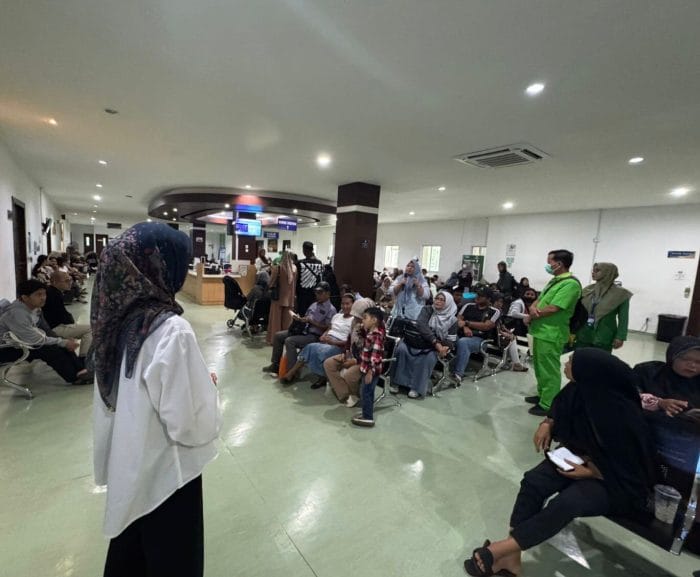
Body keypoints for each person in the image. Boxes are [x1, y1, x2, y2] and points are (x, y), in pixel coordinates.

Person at [91, 222, 220, 577]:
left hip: (129, 460)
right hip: (167, 472)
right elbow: (189, 424)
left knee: (131, 551)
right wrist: (206, 389)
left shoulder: (114, 318)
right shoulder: (170, 329)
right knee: (171, 556)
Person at [463, 349, 655, 577]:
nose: (566, 364)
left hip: (612, 480)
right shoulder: (579, 389)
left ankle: (500, 550)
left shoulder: (622, 412)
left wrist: (592, 472)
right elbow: (558, 408)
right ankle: (512, 559)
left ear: (588, 372)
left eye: (571, 362)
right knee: (533, 482)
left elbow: (633, 468)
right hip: (577, 458)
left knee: (568, 502)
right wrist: (547, 423)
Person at [524, 249, 582, 416]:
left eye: (550, 262)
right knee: (539, 366)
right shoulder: (555, 280)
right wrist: (533, 307)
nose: (548, 265)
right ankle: (542, 395)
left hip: (551, 333)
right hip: (540, 331)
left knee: (549, 369)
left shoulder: (570, 284)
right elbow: (540, 298)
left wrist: (534, 314)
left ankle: (548, 404)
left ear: (559, 264)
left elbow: (555, 307)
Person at [0, 279, 88, 384]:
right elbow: (35, 340)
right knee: (49, 349)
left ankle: (81, 370)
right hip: (5, 350)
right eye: (38, 295)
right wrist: (62, 342)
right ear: (25, 297)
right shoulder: (17, 313)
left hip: (18, 343)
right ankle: (75, 378)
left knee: (60, 343)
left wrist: (63, 341)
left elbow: (46, 330)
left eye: (44, 294)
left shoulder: (33, 308)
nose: (43, 297)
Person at [391, 291, 458, 398]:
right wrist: (436, 342)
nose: (438, 301)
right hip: (416, 340)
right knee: (401, 349)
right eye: (437, 298)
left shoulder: (452, 320)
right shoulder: (427, 309)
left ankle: (416, 388)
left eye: (442, 300)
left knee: (428, 358)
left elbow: (451, 340)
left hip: (431, 347)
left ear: (448, 303)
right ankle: (397, 382)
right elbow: (422, 325)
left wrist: (445, 348)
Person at [263, 282, 336, 377]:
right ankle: (275, 365)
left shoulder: (331, 309)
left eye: (320, 292)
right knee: (278, 336)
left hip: (315, 336)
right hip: (303, 331)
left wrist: (312, 322)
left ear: (328, 293)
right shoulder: (314, 305)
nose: (317, 295)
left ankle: (291, 373)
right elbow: (306, 317)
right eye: (316, 292)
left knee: (290, 341)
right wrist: (300, 319)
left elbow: (327, 327)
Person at [282, 293, 354, 386]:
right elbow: (329, 329)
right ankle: (292, 373)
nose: (344, 306)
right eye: (342, 304)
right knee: (310, 347)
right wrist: (323, 335)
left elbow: (350, 342)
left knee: (318, 350)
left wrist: (333, 342)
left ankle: (317, 376)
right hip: (327, 340)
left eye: (347, 304)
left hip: (339, 345)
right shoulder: (337, 316)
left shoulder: (354, 321)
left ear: (353, 305)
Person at [324, 297, 375, 407]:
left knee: (349, 375)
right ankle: (344, 393)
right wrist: (346, 352)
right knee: (328, 363)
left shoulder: (374, 330)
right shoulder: (355, 322)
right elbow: (349, 338)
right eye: (355, 316)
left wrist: (354, 361)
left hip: (366, 361)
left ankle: (354, 395)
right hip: (353, 355)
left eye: (359, 317)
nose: (356, 319)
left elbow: (372, 354)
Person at [636, 335, 700, 417]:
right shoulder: (648, 372)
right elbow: (627, 396)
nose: (692, 365)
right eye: (685, 359)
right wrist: (659, 403)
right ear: (672, 357)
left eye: (698, 362)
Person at [575, 262, 632, 352]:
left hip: (604, 335)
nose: (593, 272)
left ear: (608, 273)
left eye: (597, 270)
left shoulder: (621, 294)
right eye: (593, 270)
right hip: (583, 333)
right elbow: (578, 310)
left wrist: (620, 337)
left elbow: (623, 318)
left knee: (599, 359)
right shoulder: (588, 289)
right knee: (580, 357)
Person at [452, 288, 501, 381]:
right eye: (477, 294)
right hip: (461, 333)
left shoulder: (494, 311)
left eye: (481, 296)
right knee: (445, 336)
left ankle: (458, 374)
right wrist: (465, 327)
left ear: (489, 299)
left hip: (480, 339)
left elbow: (486, 326)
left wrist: (467, 323)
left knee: (463, 342)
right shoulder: (468, 306)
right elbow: (458, 319)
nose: (477, 297)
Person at [43, 270, 93, 359]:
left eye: (70, 280)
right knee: (90, 329)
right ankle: (83, 358)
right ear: (54, 282)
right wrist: (72, 324)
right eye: (66, 281)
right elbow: (61, 316)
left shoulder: (54, 292)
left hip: (54, 325)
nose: (70, 283)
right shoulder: (53, 294)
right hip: (53, 328)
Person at [351, 307, 386, 428]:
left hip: (370, 371)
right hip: (366, 368)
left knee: (366, 393)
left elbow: (375, 357)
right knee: (367, 392)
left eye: (365, 318)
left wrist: (370, 372)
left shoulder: (376, 335)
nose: (363, 320)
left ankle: (368, 417)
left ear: (374, 320)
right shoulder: (370, 333)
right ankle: (366, 413)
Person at [266, 251, 297, 345]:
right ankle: (285, 340)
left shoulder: (278, 268)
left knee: (275, 321)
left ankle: (274, 340)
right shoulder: (294, 268)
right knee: (287, 321)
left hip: (278, 298)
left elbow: (271, 283)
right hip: (290, 299)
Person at [297, 241, 324, 316]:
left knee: (302, 315)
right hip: (315, 294)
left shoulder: (300, 263)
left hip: (302, 295)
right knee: (312, 314)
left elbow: (296, 279)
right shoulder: (319, 263)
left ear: (304, 250)